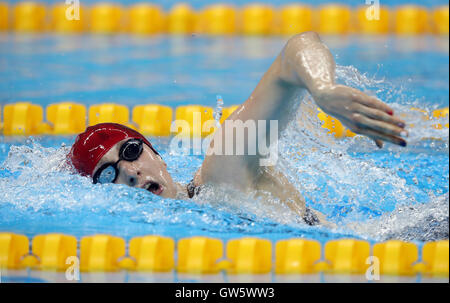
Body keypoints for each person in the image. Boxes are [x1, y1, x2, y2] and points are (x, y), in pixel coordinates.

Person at [69, 32, 408, 225]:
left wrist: (322, 89)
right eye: (106, 174)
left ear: (156, 153)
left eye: (130, 151)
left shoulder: (222, 175)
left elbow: (295, 50)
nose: (128, 172)